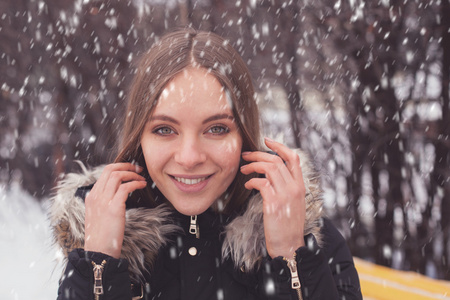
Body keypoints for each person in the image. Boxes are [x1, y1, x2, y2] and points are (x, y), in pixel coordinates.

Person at [50, 28, 362, 300]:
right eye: (164, 130)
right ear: (139, 138)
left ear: (245, 135)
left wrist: (290, 256)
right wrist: (100, 262)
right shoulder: (100, 231)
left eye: (216, 129)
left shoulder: (308, 235)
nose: (189, 157)